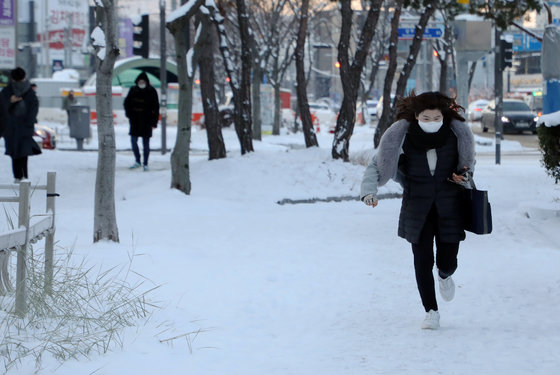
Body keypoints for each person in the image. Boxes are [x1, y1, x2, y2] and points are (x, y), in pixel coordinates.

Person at [360, 91, 475, 330]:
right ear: (416, 116)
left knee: (448, 259)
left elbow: (466, 167)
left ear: (443, 116)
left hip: (449, 206)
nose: (431, 122)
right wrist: (369, 190)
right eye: (426, 117)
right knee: (422, 261)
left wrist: (463, 177)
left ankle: (445, 275)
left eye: (436, 118)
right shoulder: (402, 138)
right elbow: (377, 164)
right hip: (417, 208)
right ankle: (431, 312)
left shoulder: (455, 135)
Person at [0, 67, 41, 182]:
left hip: (11, 126)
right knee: (23, 152)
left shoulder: (6, 91)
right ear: (24, 77)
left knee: (15, 152)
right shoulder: (30, 92)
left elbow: (2, 109)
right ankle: (23, 176)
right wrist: (29, 122)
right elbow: (34, 109)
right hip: (23, 127)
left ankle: (18, 176)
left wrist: (10, 102)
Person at [123, 72, 159, 171]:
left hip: (147, 121)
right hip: (135, 121)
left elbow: (156, 107)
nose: (141, 83)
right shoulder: (133, 90)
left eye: (143, 81)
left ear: (146, 82)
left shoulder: (151, 91)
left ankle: (145, 163)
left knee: (146, 143)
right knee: (133, 141)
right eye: (140, 81)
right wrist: (129, 114)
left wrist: (154, 122)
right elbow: (126, 103)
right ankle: (137, 160)